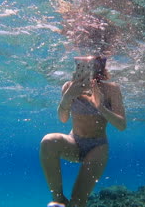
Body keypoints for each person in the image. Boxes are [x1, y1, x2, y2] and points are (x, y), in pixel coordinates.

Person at [40, 56, 126, 207]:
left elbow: (121, 125)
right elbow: (63, 118)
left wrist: (101, 108)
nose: (86, 69)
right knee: (48, 141)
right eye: (81, 65)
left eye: (92, 65)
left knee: (78, 202)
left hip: (97, 147)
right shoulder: (69, 86)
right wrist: (67, 97)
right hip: (74, 141)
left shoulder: (112, 89)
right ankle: (58, 199)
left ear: (100, 68)